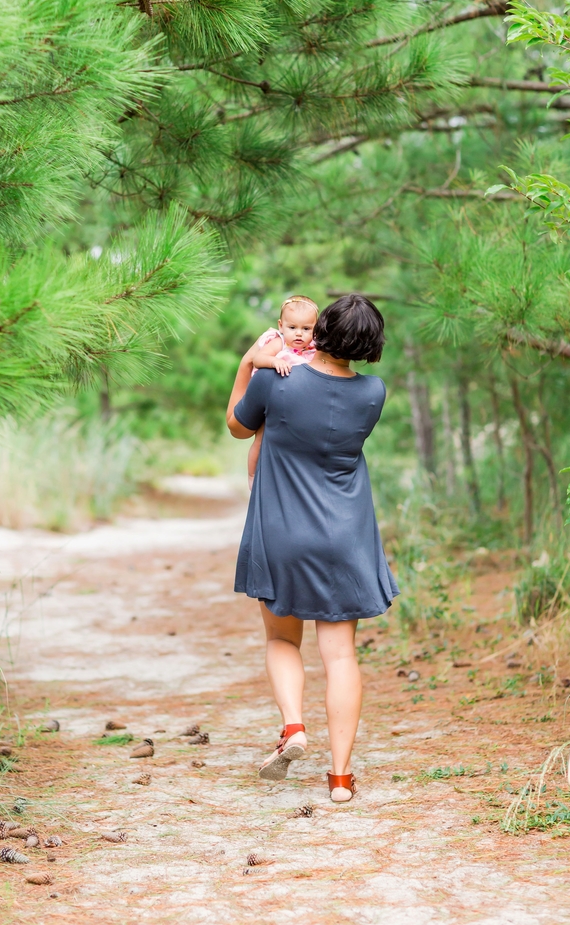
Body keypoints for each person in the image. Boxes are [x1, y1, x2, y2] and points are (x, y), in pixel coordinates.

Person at [226, 293, 398, 803]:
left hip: (283, 532)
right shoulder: (374, 393)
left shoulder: (276, 381)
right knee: (341, 655)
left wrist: (246, 364)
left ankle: (294, 727)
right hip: (345, 536)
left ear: (319, 331)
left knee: (282, 641)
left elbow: (238, 427)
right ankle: (341, 779)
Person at [246, 296, 318, 491]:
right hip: (270, 400)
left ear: (315, 329)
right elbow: (258, 358)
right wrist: (273, 361)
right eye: (292, 327)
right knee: (261, 438)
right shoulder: (279, 343)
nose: (298, 334)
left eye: (306, 329)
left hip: (294, 405)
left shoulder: (314, 350)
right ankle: (252, 475)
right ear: (281, 325)